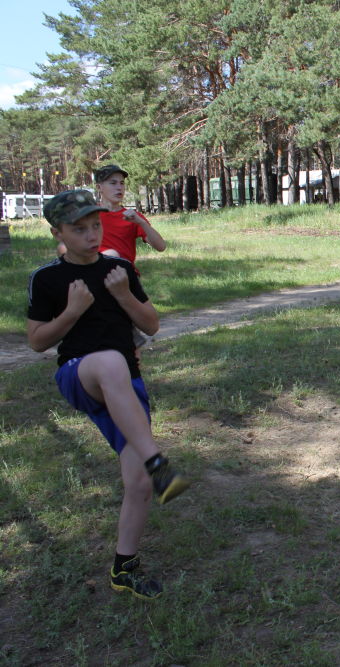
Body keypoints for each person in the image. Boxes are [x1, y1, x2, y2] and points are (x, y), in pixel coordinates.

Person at [28, 190, 190, 599]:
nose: (91, 235)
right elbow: (37, 341)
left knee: (138, 482)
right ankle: (158, 460)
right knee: (110, 362)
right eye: (79, 229)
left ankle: (124, 567)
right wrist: (71, 311)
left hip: (125, 384)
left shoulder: (120, 270)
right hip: (79, 374)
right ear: (57, 233)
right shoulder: (47, 278)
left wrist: (123, 295)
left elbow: (151, 325)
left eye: (95, 226)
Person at [93, 164, 167, 265]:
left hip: (125, 271)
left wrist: (142, 223)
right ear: (99, 187)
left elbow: (161, 247)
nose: (119, 187)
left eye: (122, 183)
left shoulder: (132, 217)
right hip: (96, 270)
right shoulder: (89, 214)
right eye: (113, 183)